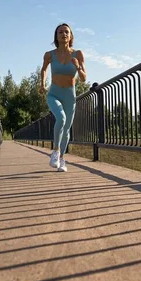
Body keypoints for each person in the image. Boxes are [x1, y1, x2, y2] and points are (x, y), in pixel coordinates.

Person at [39, 23, 87, 172]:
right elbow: (44, 69)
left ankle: (61, 159)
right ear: (56, 36)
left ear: (71, 36)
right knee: (61, 118)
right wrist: (42, 84)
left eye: (66, 32)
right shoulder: (49, 54)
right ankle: (55, 151)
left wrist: (78, 66)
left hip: (69, 95)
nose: (63, 34)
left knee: (66, 130)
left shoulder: (77, 54)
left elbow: (84, 78)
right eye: (60, 32)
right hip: (54, 93)